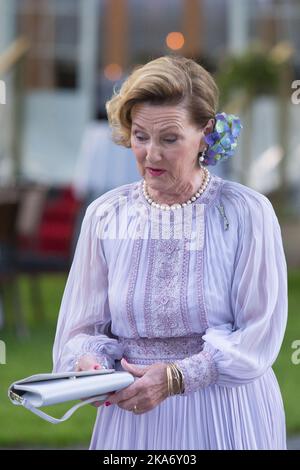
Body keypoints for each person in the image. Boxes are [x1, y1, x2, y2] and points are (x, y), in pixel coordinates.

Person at [52, 55, 288, 450]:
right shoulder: (106, 214)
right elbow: (83, 327)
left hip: (223, 413)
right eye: (140, 136)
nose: (152, 155)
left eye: (170, 138)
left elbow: (259, 334)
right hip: (131, 420)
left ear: (205, 132)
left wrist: (178, 377)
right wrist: (88, 363)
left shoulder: (247, 212)